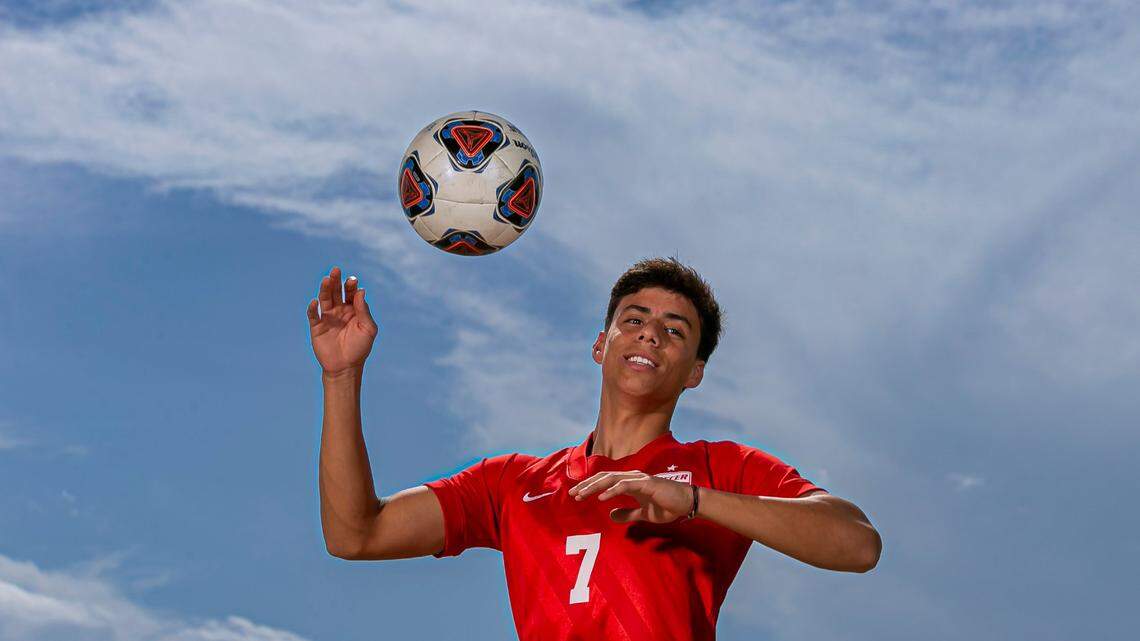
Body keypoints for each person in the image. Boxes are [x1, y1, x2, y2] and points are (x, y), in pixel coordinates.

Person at [307, 257, 881, 641]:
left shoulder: (720, 468)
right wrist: (341, 378)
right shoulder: (511, 483)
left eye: (675, 330)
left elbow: (857, 544)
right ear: (601, 344)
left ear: (695, 374)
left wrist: (694, 503)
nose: (650, 334)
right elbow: (355, 534)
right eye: (634, 319)